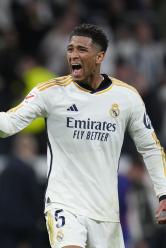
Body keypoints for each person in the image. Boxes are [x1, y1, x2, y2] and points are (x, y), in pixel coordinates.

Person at [0, 23, 166, 248]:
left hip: (106, 212)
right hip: (64, 204)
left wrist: (163, 193)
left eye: (81, 49)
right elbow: (8, 123)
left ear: (100, 57)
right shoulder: (50, 92)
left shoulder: (127, 97)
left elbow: (150, 147)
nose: (73, 55)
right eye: (70, 49)